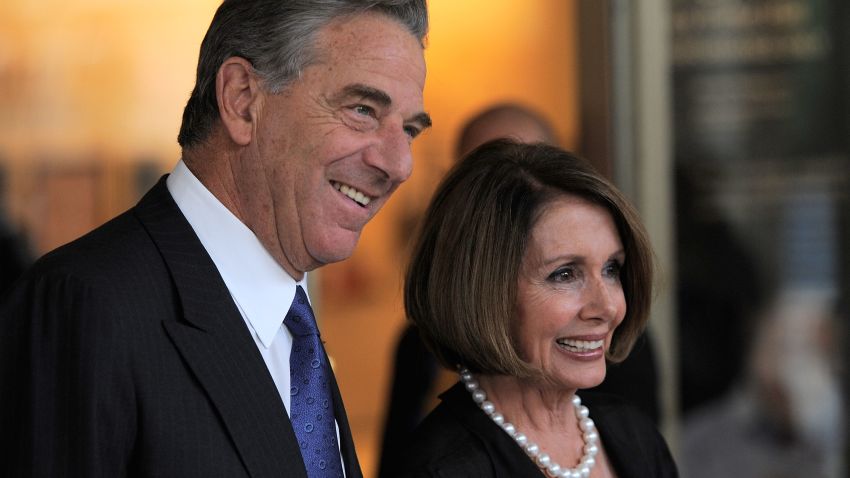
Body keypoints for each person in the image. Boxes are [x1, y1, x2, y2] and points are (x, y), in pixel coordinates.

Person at [0, 1, 430, 477]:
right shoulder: (86, 305)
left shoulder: (294, 327)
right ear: (243, 99)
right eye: (363, 109)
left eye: (409, 129)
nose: (399, 164)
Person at [392, 140, 677, 477]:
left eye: (611, 269)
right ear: (484, 290)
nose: (608, 306)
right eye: (565, 274)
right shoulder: (443, 469)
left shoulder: (633, 434)